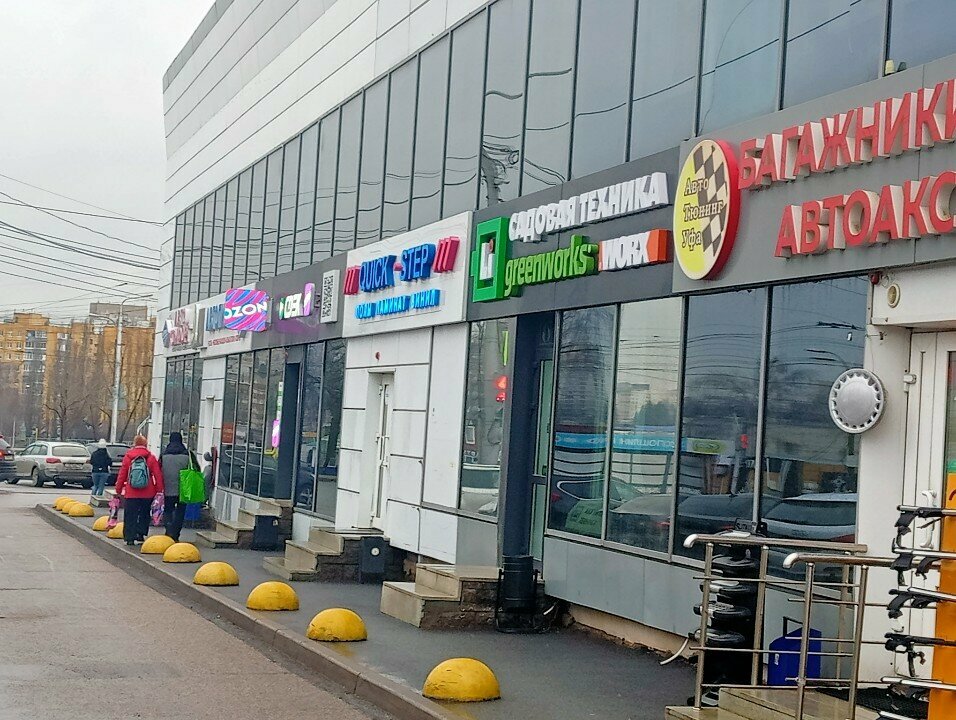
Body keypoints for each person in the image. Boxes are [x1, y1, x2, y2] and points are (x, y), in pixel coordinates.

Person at [114, 435, 163, 546]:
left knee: (130, 515)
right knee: (144, 513)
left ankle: (129, 537)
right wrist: (159, 490)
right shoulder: (151, 457)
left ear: (134, 444)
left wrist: (118, 489)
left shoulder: (128, 457)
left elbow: (122, 474)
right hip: (148, 492)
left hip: (131, 493)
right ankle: (140, 534)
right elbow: (158, 475)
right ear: (145, 444)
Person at [159, 431, 197, 542]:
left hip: (167, 488)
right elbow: (196, 469)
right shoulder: (188, 455)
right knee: (180, 511)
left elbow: (158, 470)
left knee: (168, 509)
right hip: (183, 489)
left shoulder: (164, 455)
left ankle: (169, 530)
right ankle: (176, 533)